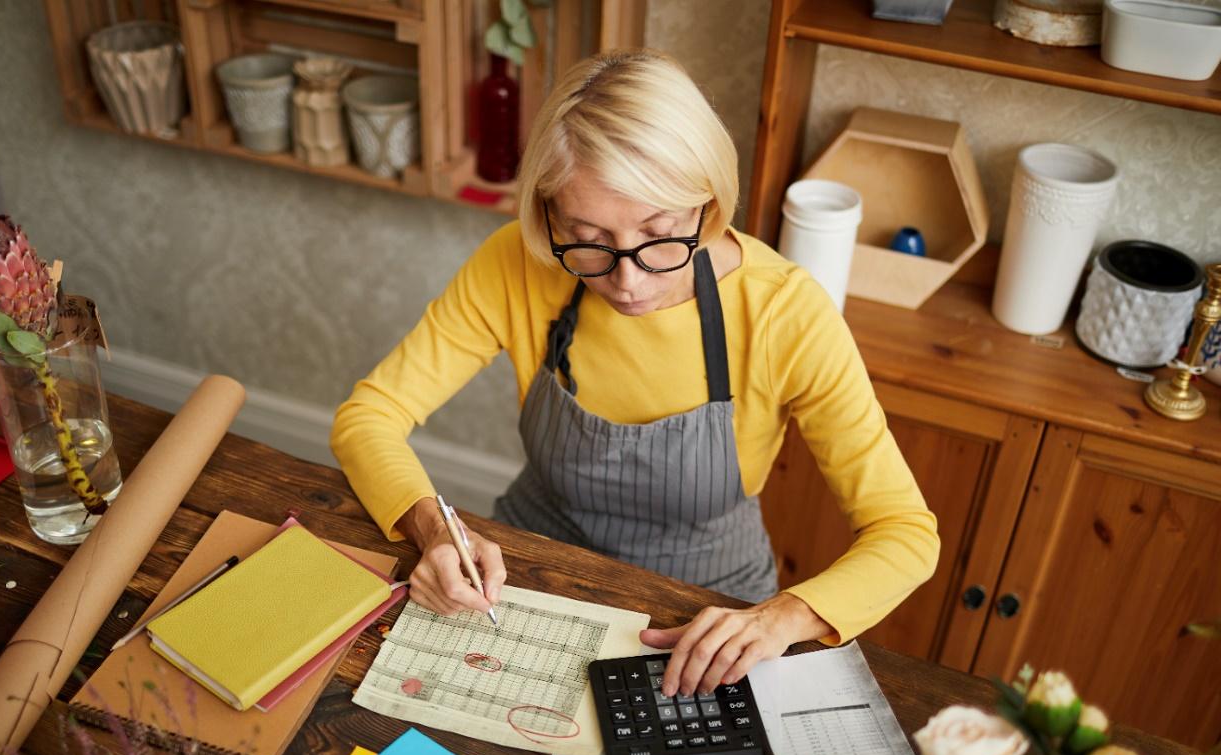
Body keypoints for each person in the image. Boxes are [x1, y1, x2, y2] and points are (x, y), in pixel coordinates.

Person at [331, 49, 939, 699]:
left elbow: (905, 534)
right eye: (589, 240)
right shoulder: (515, 264)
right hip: (533, 575)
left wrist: (783, 616)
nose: (626, 281)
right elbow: (368, 418)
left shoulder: (786, 312)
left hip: (709, 609)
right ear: (548, 217)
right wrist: (432, 529)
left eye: (658, 236)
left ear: (708, 202)